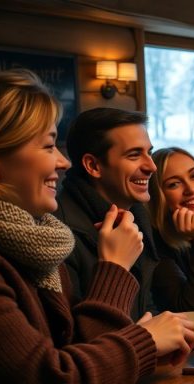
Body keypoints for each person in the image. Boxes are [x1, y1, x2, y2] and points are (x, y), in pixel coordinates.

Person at [0, 68, 194, 384]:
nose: (62, 162)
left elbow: (75, 354)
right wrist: (138, 326)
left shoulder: (38, 240)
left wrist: (143, 342)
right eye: (48, 146)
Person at [55, 107, 160, 320]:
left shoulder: (136, 215)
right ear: (93, 165)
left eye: (149, 152)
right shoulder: (59, 233)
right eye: (134, 155)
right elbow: (74, 339)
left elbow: (144, 303)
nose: (152, 166)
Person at [148, 147, 194, 311]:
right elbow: (193, 312)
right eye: (174, 184)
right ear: (158, 196)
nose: (191, 189)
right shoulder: (152, 244)